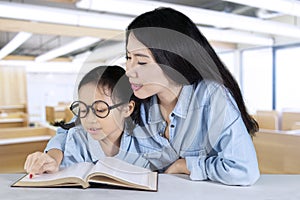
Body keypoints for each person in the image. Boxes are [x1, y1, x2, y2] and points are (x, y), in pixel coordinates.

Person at [124, 7, 260, 185]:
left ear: (173, 60)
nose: (129, 71)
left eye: (142, 61)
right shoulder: (138, 102)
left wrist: (187, 165)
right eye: (128, 58)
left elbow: (243, 170)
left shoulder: (211, 97)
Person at [24, 65, 150, 175]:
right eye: (83, 110)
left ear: (127, 109)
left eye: (100, 110)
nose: (89, 119)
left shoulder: (145, 140)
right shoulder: (77, 141)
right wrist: (49, 162)